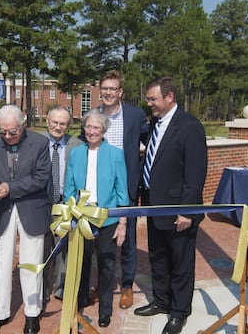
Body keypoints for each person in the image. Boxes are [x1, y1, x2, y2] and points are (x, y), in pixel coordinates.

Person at [133, 77, 207, 334]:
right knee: (159, 258)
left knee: (181, 263)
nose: (149, 103)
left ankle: (179, 311)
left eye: (153, 98)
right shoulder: (155, 122)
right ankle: (162, 301)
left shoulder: (189, 126)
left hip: (178, 211)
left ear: (169, 97)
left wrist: (186, 211)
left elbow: (196, 173)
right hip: (154, 207)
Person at [0, 105, 51, 334]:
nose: (8, 137)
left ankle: (32, 313)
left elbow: (40, 179)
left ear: (23, 124)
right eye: (3, 132)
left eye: (13, 132)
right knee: (1, 264)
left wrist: (9, 188)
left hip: (32, 209)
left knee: (31, 264)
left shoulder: (39, 143)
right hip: (2, 211)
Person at [85, 69, 149, 309]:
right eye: (105, 89)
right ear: (100, 91)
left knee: (128, 240)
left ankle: (127, 286)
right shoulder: (92, 116)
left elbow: (151, 143)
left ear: (120, 92)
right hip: (98, 191)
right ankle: (103, 285)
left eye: (113, 89)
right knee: (99, 242)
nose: (109, 93)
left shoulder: (134, 116)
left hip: (126, 187)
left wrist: (139, 171)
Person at [64, 109, 129, 328]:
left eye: (96, 128)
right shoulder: (76, 153)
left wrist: (122, 222)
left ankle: (105, 310)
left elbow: (122, 190)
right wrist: (70, 213)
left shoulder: (115, 154)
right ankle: (80, 303)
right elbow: (70, 187)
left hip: (107, 219)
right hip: (82, 217)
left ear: (104, 130)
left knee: (107, 265)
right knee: (81, 264)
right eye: (88, 127)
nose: (92, 131)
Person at [42, 106, 83, 307]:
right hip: (41, 206)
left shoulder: (77, 145)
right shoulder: (36, 143)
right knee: (41, 250)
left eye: (63, 123)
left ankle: (61, 289)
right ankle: (41, 291)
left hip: (65, 205)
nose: (58, 127)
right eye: (55, 122)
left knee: (63, 249)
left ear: (69, 125)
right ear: (47, 120)